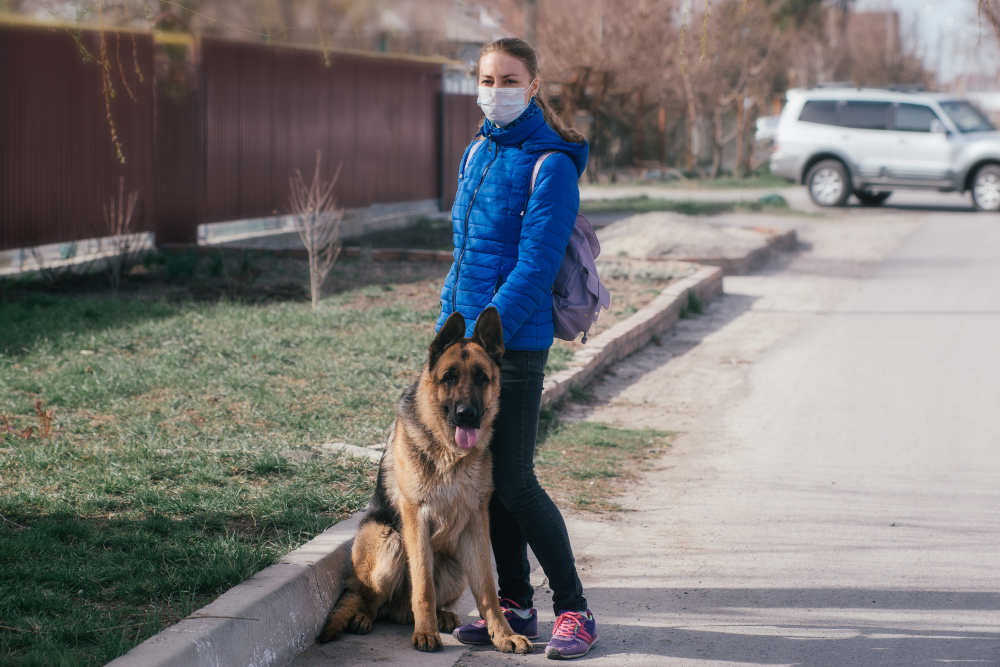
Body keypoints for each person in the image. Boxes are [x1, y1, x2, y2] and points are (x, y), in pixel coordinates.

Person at [437, 37, 597, 660]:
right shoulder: (478, 150)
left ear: (532, 86)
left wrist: (488, 334)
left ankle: (575, 609)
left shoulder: (549, 163)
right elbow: (464, 250)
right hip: (466, 346)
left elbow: (535, 265)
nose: (494, 89)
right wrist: (450, 329)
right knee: (487, 477)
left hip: (513, 346)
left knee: (516, 480)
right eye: (486, 78)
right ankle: (515, 602)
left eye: (508, 79)